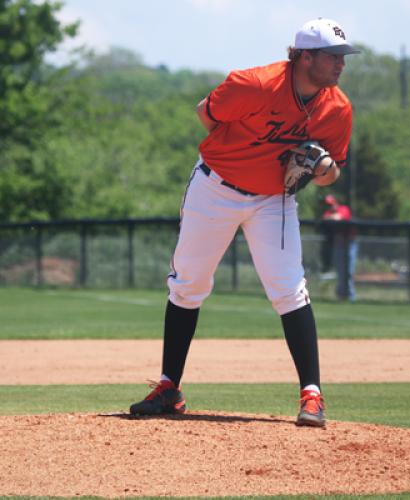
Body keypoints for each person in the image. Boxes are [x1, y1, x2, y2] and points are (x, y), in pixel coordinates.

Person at [130, 18, 360, 427]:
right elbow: (207, 112)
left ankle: (312, 395)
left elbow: (333, 171)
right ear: (306, 56)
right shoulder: (253, 84)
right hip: (215, 188)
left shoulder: (337, 108)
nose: (341, 64)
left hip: (274, 200)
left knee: (289, 290)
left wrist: (321, 169)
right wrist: (242, 153)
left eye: (343, 57)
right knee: (188, 284)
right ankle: (169, 388)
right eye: (334, 56)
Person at [322, 194, 357, 301]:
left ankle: (350, 296)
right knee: (340, 271)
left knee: (348, 271)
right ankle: (341, 295)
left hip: (349, 244)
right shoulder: (328, 213)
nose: (329, 207)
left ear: (336, 202)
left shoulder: (344, 209)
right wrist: (331, 217)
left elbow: (339, 217)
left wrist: (332, 217)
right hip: (338, 245)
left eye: (331, 204)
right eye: (328, 205)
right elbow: (325, 218)